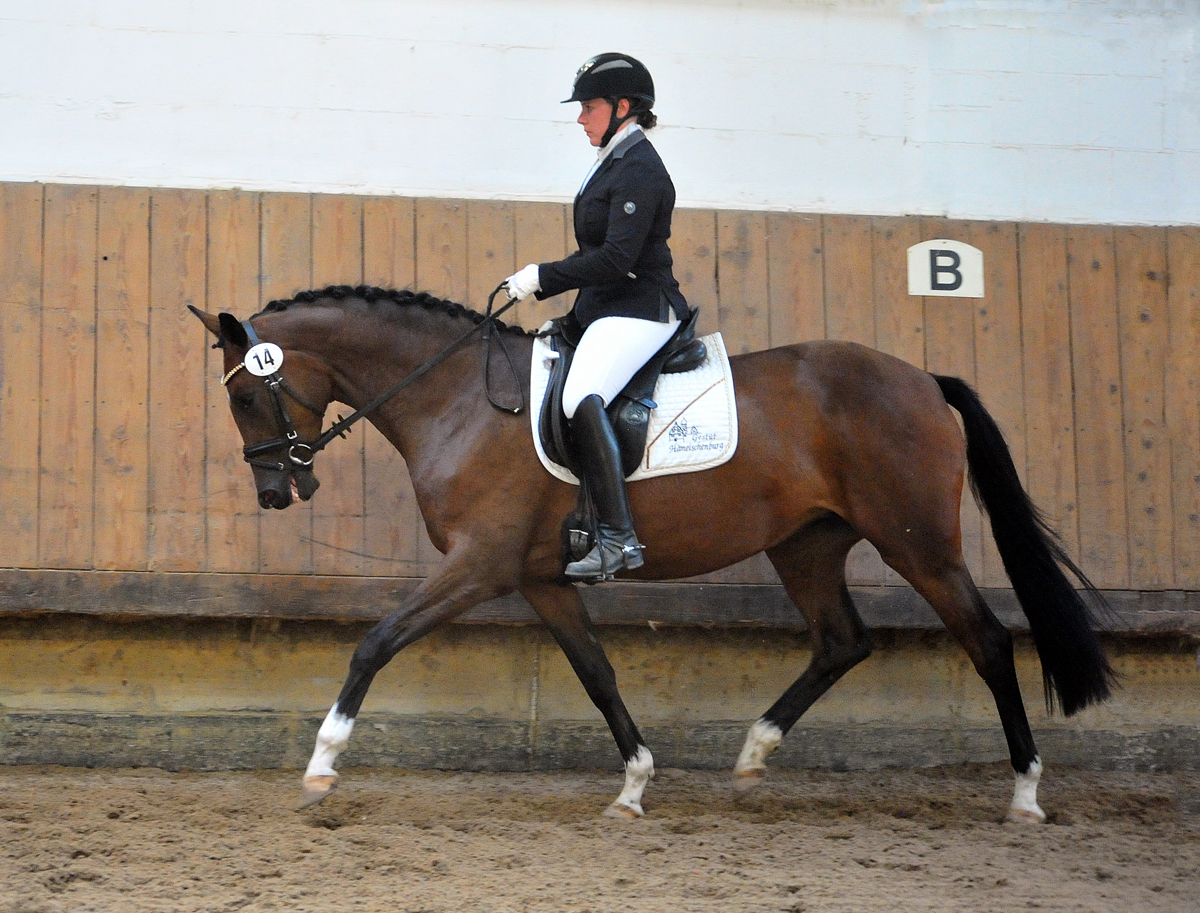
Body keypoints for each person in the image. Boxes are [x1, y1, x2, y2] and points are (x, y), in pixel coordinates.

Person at [503, 52, 690, 582]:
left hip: (643, 310)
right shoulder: (613, 159)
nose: (581, 118)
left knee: (580, 394)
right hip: (610, 309)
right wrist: (573, 320)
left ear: (623, 106)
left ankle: (617, 537)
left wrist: (542, 277)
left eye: (589, 107)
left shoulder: (640, 169)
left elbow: (616, 261)